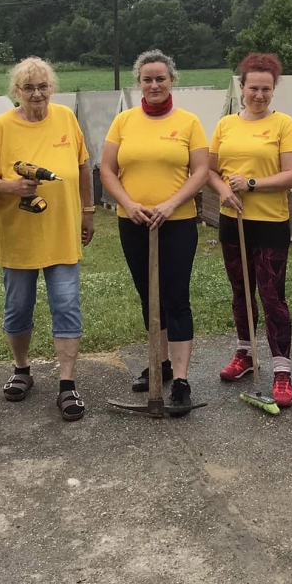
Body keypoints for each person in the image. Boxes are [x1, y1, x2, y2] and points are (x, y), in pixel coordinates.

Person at [0, 58, 94, 421]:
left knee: (66, 306)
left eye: (43, 86)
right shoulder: (0, 128)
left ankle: (67, 383)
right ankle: (22, 369)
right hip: (18, 237)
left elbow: (82, 167)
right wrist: (12, 187)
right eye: (28, 88)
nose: (37, 94)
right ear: (17, 91)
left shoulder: (66, 118)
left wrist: (88, 212)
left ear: (52, 88)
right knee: (18, 309)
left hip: (62, 234)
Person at [100, 49, 209, 410]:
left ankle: (180, 380)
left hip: (176, 223)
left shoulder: (190, 122)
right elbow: (107, 170)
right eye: (147, 79)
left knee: (176, 299)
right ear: (139, 83)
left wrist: (170, 204)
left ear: (171, 80)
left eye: (160, 78)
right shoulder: (124, 121)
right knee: (150, 298)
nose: (154, 84)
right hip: (134, 223)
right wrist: (129, 204)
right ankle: (156, 364)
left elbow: (200, 172)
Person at [207, 54, 292, 406]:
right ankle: (245, 354)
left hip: (270, 223)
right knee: (241, 292)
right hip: (233, 220)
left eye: (266, 89)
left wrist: (251, 183)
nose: (259, 95)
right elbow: (212, 170)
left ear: (273, 89)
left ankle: (281, 370)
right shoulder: (226, 125)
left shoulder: (284, 125)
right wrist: (225, 190)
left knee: (272, 295)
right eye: (253, 88)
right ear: (241, 87)